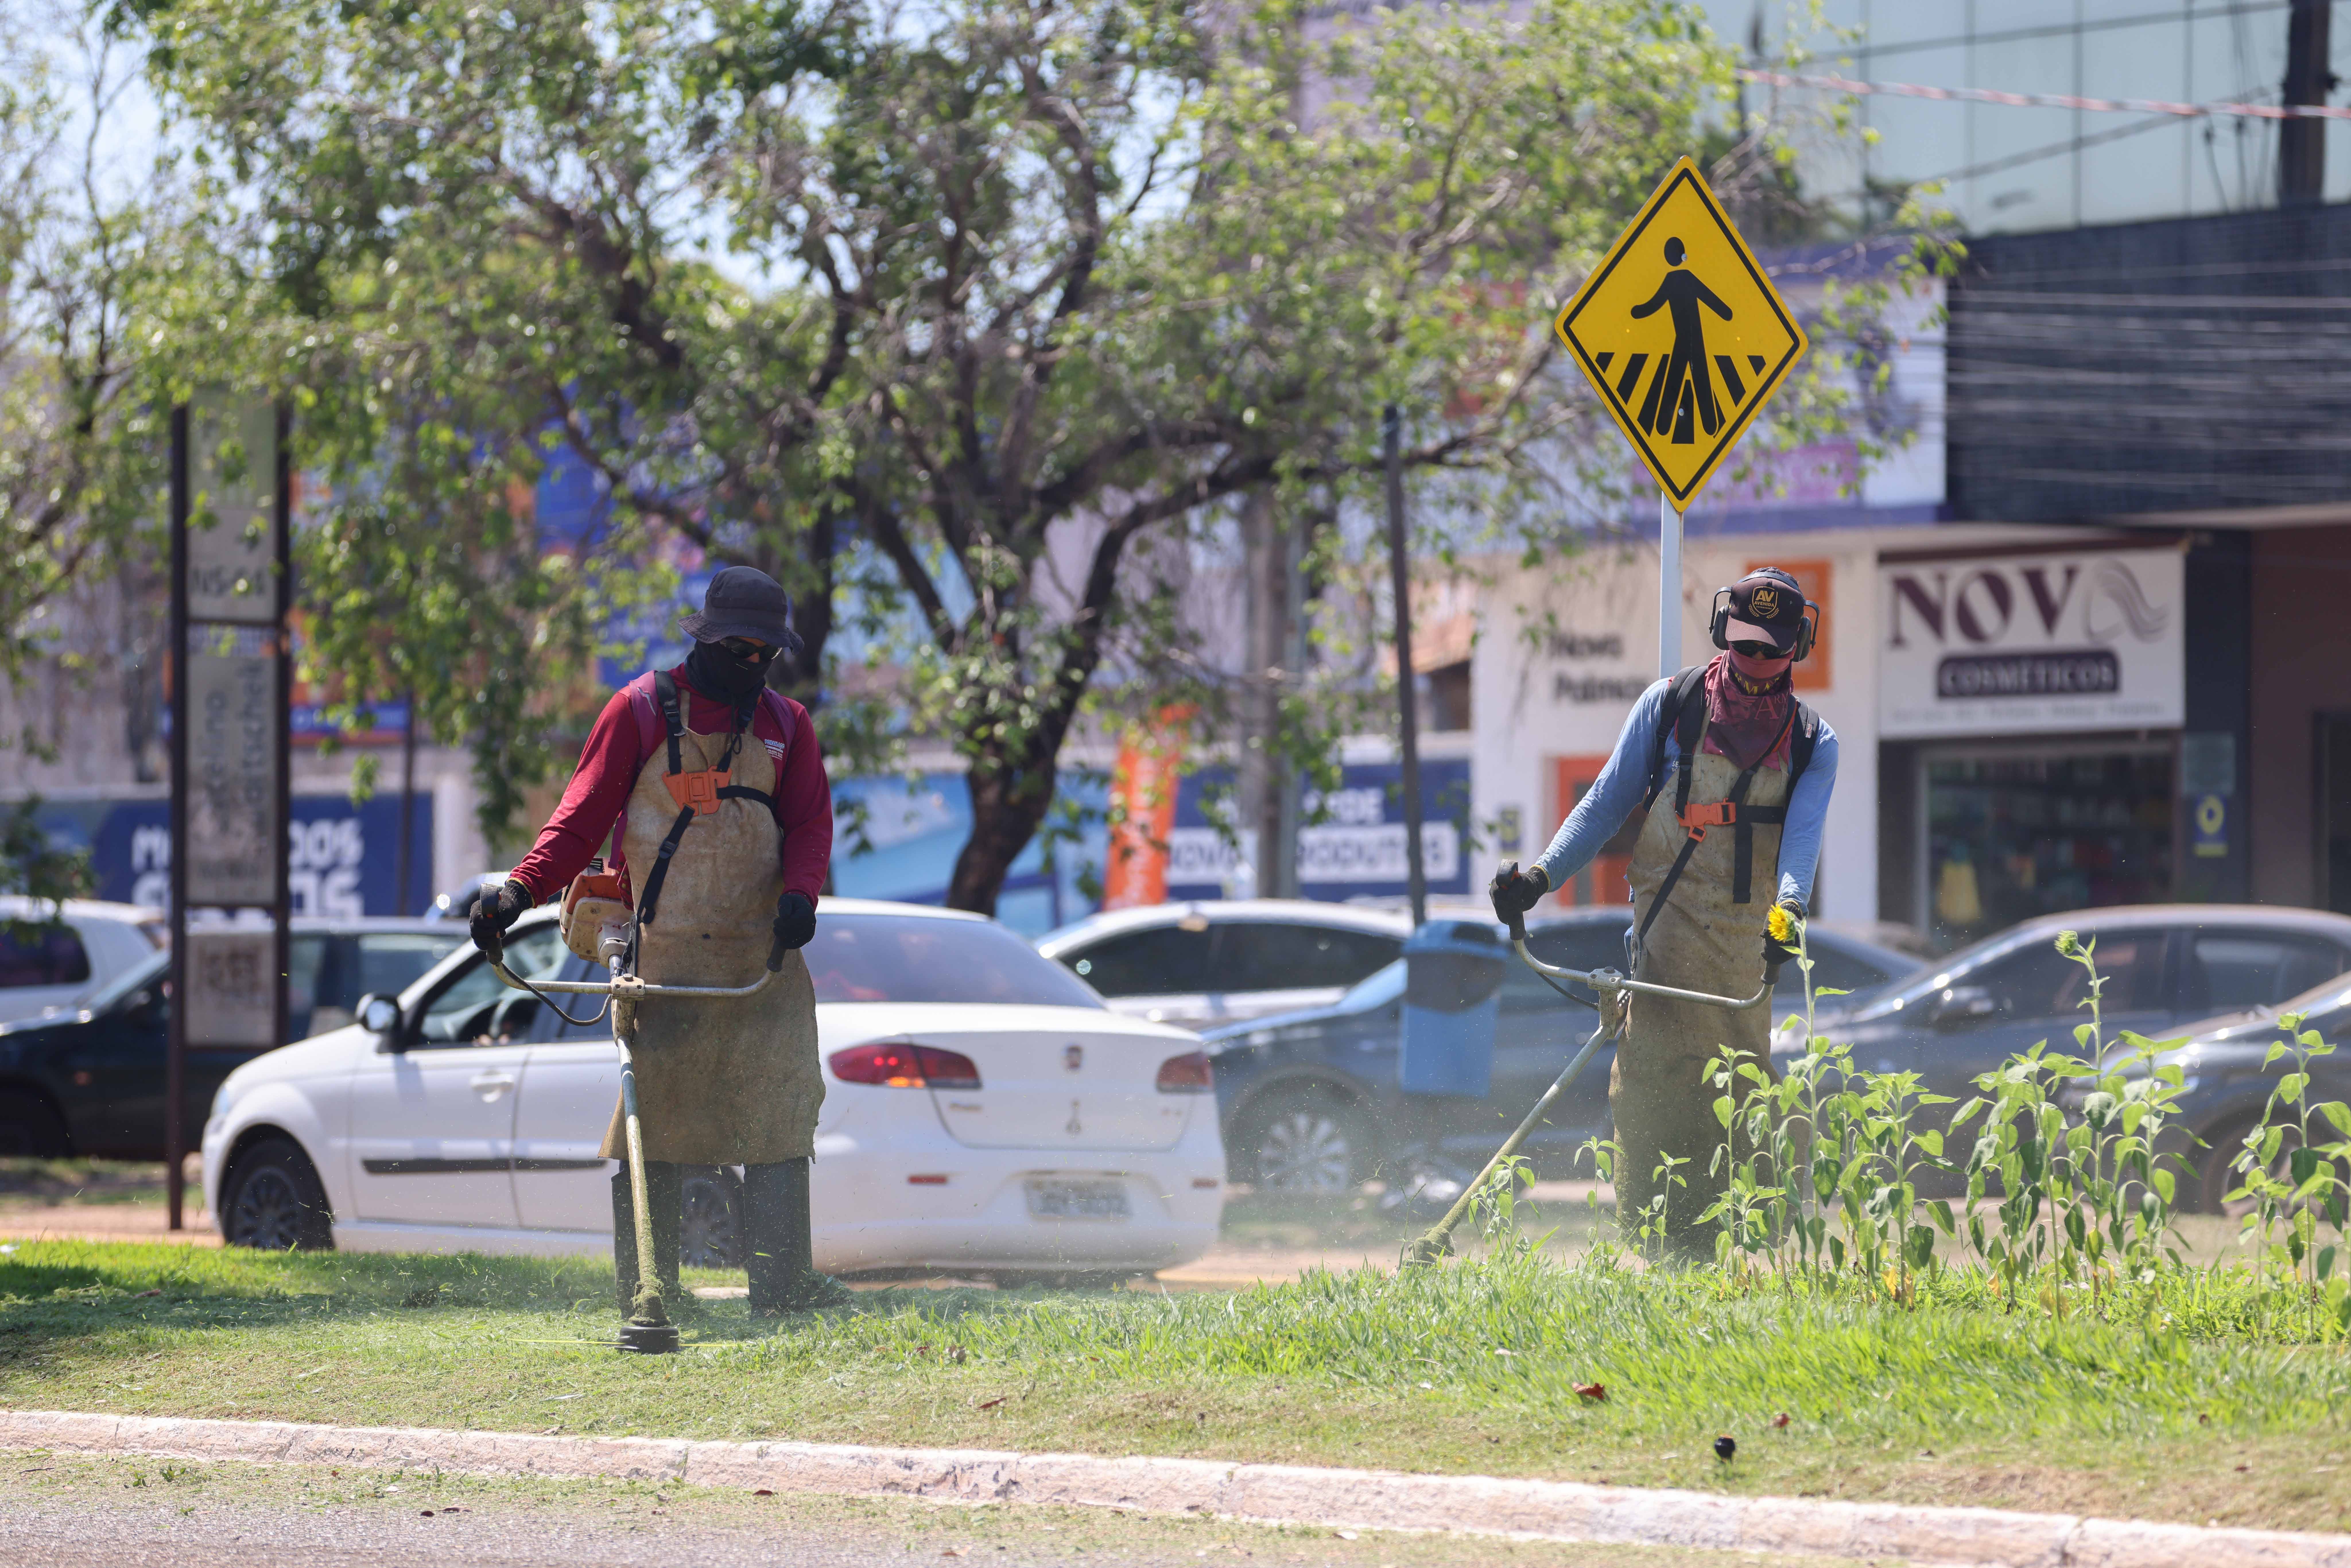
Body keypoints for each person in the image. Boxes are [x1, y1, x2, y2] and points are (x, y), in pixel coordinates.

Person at [470, 564, 843, 1313]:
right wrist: (521, 888)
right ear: (705, 638)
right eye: (739, 650)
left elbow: (809, 824)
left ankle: (783, 1290)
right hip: (665, 963)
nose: (752, 666)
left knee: (777, 1124)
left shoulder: (786, 727)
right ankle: (651, 1293)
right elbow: (579, 819)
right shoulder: (640, 709)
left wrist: (802, 895)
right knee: (655, 1132)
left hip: (760, 969)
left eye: (764, 655)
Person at [1488, 568, 1838, 1260]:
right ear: (1720, 633)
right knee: (1653, 1087)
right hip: (1665, 931)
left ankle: (1748, 1255)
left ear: (1797, 646)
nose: (1753, 663)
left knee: (1742, 1092)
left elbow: (1802, 841)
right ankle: (1659, 1253)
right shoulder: (1670, 705)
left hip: (1747, 943)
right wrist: (1541, 875)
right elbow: (1604, 803)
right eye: (1742, 645)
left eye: (1770, 650)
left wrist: (1788, 914)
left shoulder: (1811, 741)